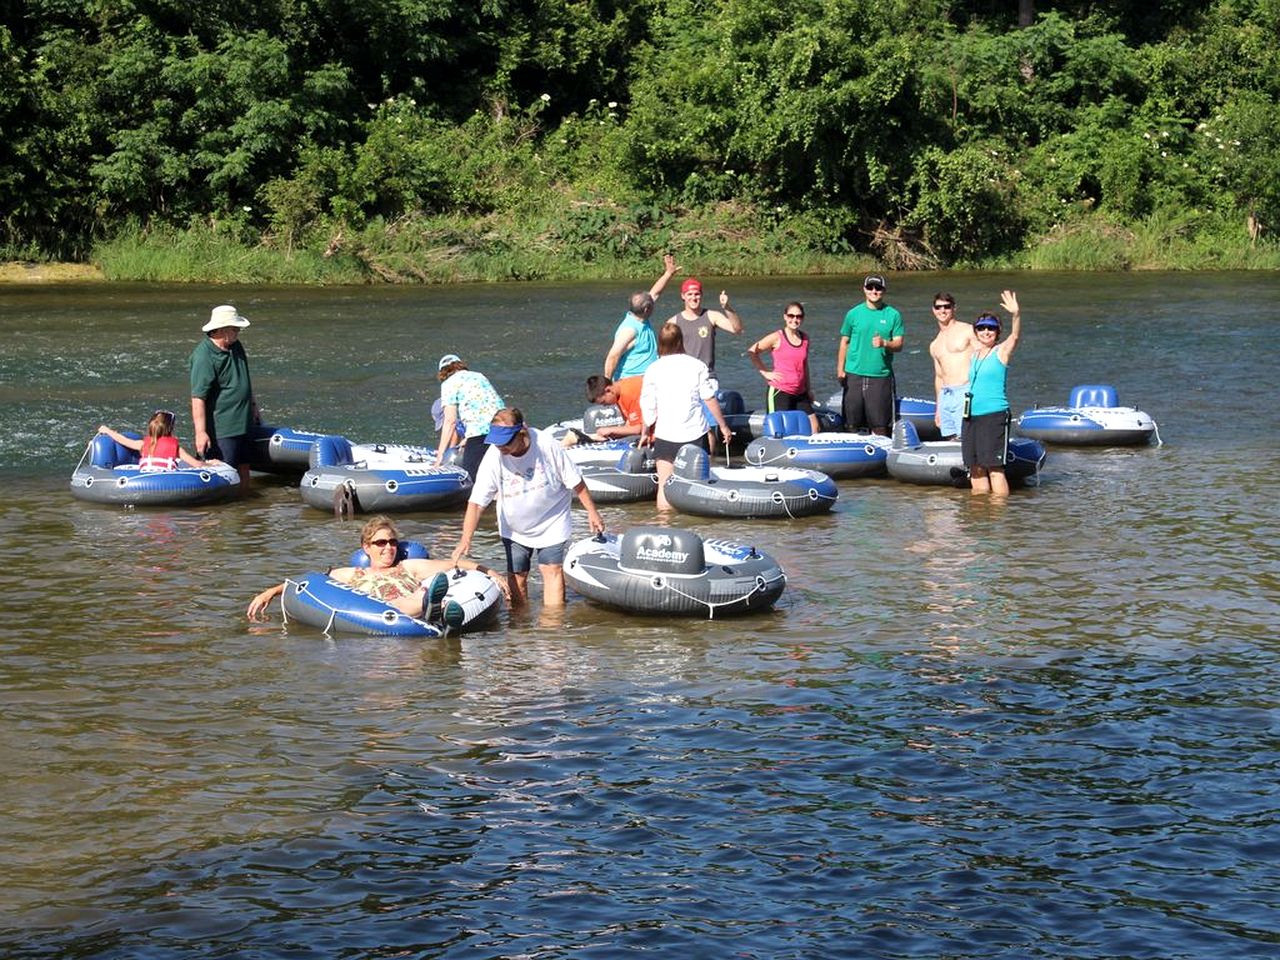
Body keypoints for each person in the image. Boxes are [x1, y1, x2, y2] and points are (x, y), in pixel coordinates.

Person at [451, 408, 605, 608]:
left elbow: (575, 481)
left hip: (552, 520)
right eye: (497, 442)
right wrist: (466, 538)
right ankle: (520, 623)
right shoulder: (494, 455)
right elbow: (477, 502)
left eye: (506, 442)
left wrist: (592, 512)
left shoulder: (546, 445)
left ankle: (552, 625)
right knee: (518, 575)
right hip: (514, 527)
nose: (501, 447)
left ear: (521, 432)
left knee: (551, 570)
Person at [247, 515, 509, 624]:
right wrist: (271, 592)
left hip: (411, 606)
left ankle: (432, 607)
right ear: (366, 547)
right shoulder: (352, 574)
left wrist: (490, 572)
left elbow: (454, 564)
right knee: (397, 604)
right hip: (376, 613)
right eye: (381, 543)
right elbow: (309, 583)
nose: (388, 548)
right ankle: (430, 609)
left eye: (393, 542)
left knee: (421, 593)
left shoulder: (408, 566)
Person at [640, 323, 733, 511]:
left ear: (660, 343)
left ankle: (664, 524)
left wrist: (645, 432)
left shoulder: (653, 369)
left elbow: (648, 406)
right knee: (698, 486)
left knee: (664, 485)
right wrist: (723, 426)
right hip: (694, 433)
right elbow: (709, 398)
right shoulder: (697, 365)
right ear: (680, 341)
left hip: (666, 434)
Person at [189, 304, 260, 488]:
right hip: (223, 429)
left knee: (244, 467)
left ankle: (245, 503)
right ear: (220, 329)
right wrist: (200, 433)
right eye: (234, 328)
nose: (238, 331)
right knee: (226, 474)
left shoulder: (236, 346)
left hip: (244, 423)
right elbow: (198, 398)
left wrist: (254, 406)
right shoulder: (204, 356)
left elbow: (245, 379)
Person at [962, 291, 1023, 497]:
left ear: (998, 332)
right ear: (976, 331)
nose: (986, 331)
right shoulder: (973, 355)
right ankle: (980, 512)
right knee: (975, 468)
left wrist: (1016, 314)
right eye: (981, 328)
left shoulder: (1001, 351)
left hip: (994, 415)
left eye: (991, 328)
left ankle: (998, 514)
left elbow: (1015, 336)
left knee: (995, 469)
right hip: (971, 417)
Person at [836, 274, 903, 436]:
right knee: (851, 423)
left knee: (880, 426)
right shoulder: (853, 314)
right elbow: (844, 342)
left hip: (880, 375)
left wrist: (885, 343)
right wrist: (840, 370)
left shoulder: (893, 315)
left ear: (883, 290)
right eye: (870, 287)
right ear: (864, 290)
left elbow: (899, 344)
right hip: (854, 373)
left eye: (878, 288)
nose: (874, 291)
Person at [603, 253, 681, 379]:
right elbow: (613, 356)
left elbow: (655, 293)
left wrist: (668, 274)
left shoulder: (639, 317)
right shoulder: (629, 330)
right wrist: (607, 384)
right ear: (646, 309)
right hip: (630, 382)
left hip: (645, 381)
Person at [747, 301, 820, 435]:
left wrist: (809, 389)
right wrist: (765, 372)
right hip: (780, 391)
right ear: (785, 317)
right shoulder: (777, 337)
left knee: (814, 427)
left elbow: (804, 365)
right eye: (791, 316)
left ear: (802, 318)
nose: (794, 319)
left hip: (800, 392)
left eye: (798, 316)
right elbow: (752, 351)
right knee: (779, 431)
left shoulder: (805, 338)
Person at [433, 354, 504, 481]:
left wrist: (440, 458)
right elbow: (486, 407)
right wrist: (467, 438)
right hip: (503, 426)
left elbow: (450, 421)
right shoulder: (479, 376)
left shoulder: (449, 383)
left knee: (473, 477)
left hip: (480, 433)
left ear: (443, 373)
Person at [928, 292, 979, 440]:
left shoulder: (968, 330)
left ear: (954, 308)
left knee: (967, 437)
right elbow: (939, 377)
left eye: (947, 307)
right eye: (938, 307)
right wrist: (938, 408)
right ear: (933, 310)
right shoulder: (934, 344)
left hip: (965, 391)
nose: (942, 310)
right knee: (950, 438)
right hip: (946, 395)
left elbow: (984, 356)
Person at [98, 410, 219, 471]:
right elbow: (197, 464)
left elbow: (123, 440)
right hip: (166, 484)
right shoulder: (176, 448)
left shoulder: (142, 444)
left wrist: (108, 431)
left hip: (143, 480)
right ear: (170, 428)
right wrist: (211, 464)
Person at [666, 276, 743, 373]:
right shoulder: (673, 322)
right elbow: (666, 353)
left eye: (697, 294)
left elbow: (737, 329)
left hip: (707, 375)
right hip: (684, 375)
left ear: (701, 295)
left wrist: (726, 307)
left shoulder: (712, 316)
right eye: (689, 294)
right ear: (683, 296)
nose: (693, 298)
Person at [581, 374, 644, 440]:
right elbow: (630, 423)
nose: (604, 405)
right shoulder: (618, 392)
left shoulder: (629, 393)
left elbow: (639, 429)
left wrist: (610, 430)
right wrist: (616, 433)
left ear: (608, 390)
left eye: (603, 402)